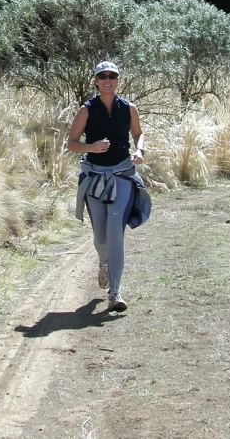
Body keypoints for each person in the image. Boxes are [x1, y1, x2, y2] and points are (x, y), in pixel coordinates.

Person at [67, 60, 151, 312]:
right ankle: (104, 261)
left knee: (116, 231)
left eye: (112, 76)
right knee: (100, 237)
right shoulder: (86, 110)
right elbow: (72, 142)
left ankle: (115, 292)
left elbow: (138, 133)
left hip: (123, 174)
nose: (107, 80)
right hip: (94, 178)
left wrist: (140, 149)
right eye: (102, 76)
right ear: (95, 80)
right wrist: (91, 147)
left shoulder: (129, 108)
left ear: (117, 80)